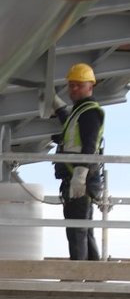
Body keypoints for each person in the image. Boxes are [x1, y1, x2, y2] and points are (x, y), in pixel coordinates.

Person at [52, 63, 104, 261]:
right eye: (71, 85)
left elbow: (90, 145)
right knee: (84, 229)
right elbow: (70, 124)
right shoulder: (80, 111)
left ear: (90, 86)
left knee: (77, 230)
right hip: (78, 178)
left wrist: (80, 176)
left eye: (78, 85)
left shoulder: (90, 112)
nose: (73, 89)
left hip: (81, 178)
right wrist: (57, 106)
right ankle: (94, 273)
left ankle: (77, 274)